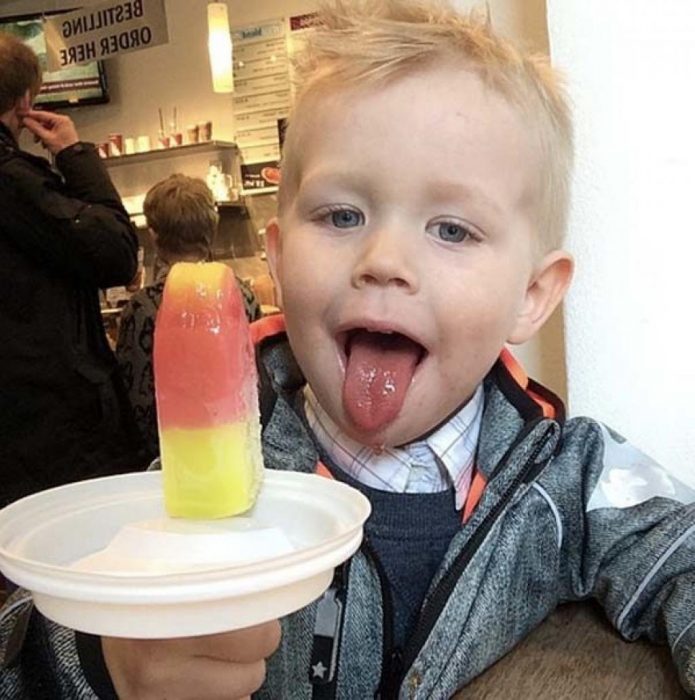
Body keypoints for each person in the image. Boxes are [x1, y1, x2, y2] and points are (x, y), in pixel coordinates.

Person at [1, 2, 694, 697]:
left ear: (532, 294)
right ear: (275, 257)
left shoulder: (567, 479)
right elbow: (26, 642)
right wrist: (102, 663)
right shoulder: (201, 490)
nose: (383, 259)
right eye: (341, 215)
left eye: (451, 229)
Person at [0, 32, 146, 509]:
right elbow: (117, 253)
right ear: (26, 99)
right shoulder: (14, 182)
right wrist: (74, 156)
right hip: (50, 433)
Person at [115, 174, 261, 463]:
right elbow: (258, 381)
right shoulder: (241, 296)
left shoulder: (143, 307)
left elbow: (134, 400)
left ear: (154, 234)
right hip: (234, 451)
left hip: (169, 458)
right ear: (212, 228)